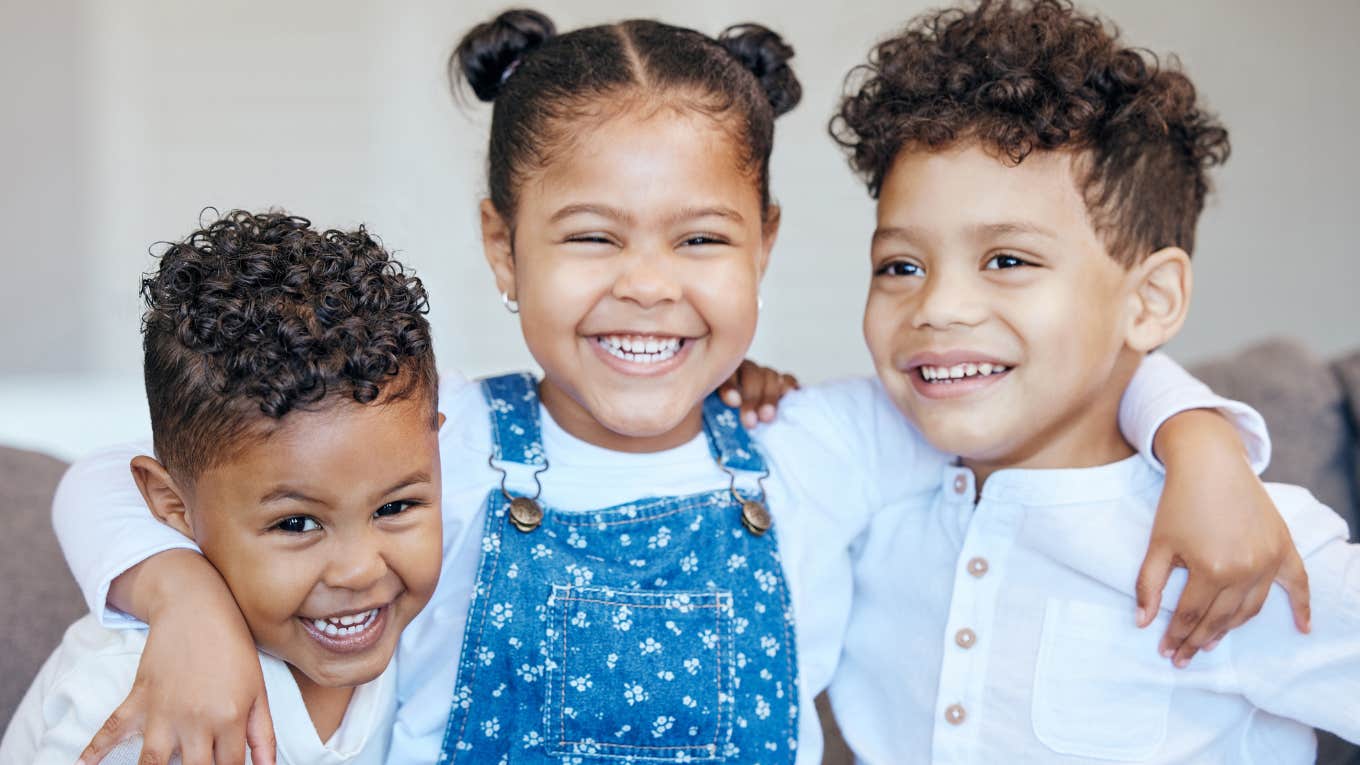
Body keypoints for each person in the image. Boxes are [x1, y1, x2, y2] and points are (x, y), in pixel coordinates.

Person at [56, 11, 1301, 765]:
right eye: (592, 238)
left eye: (699, 241)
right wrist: (184, 604)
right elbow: (123, 479)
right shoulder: (438, 447)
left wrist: (1195, 436)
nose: (647, 289)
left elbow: (1032, 383)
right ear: (503, 248)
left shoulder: (823, 443)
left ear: (763, 241)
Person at [826, 1, 1359, 760]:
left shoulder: (1237, 548)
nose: (937, 307)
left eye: (1008, 260)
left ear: (1150, 301)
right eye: (900, 266)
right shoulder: (867, 490)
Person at [0, 211, 444, 764]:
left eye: (395, 506)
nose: (360, 571)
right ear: (170, 505)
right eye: (297, 523)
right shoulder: (136, 699)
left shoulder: (414, 628)